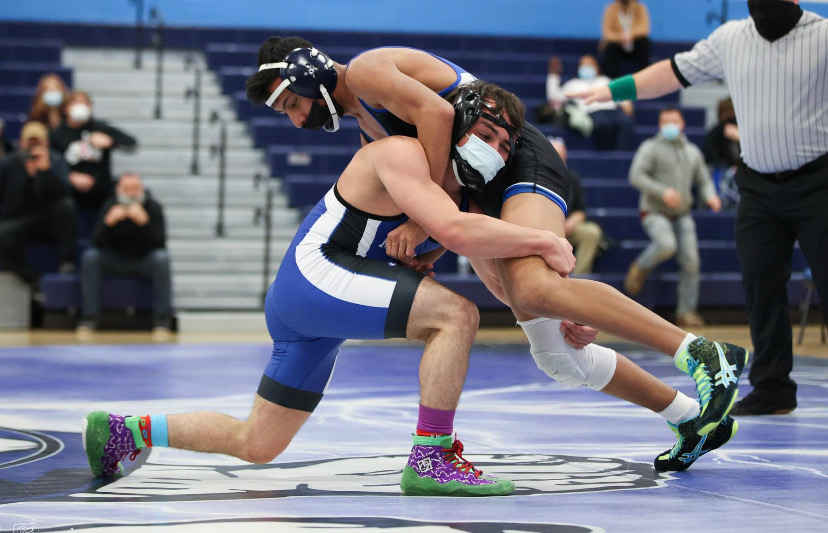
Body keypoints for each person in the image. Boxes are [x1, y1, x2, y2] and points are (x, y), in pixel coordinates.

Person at [250, 47, 748, 468]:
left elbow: (442, 118)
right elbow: (436, 182)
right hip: (477, 188)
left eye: (293, 104)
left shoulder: (365, 72)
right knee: (557, 354)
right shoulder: (364, 124)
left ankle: (703, 353)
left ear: (310, 74)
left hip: (508, 155)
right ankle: (688, 417)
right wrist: (441, 241)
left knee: (535, 289)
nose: (297, 119)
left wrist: (431, 224)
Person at [83, 90, 578, 495]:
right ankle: (430, 457)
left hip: (306, 298)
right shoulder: (402, 153)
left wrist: (547, 313)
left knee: (258, 443)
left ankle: (129, 429)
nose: (494, 150)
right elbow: (455, 230)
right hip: (316, 274)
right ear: (459, 124)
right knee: (456, 316)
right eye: (485, 135)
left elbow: (484, 259)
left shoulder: (455, 189)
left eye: (505, 145)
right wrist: (546, 239)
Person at [566, 0, 827, 416]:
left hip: (819, 181)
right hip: (758, 185)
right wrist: (615, 90)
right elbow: (672, 71)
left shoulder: (823, 35)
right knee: (761, 285)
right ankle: (773, 387)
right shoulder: (730, 38)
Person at [624, 107, 721, 328]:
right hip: (654, 211)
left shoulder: (693, 151)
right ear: (660, 125)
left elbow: (704, 180)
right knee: (666, 244)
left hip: (682, 214)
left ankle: (686, 312)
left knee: (691, 260)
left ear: (682, 123)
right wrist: (662, 192)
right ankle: (640, 266)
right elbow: (635, 175)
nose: (670, 125)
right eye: (665, 121)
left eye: (674, 121)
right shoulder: (650, 148)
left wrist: (711, 197)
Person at [76, 173, 173, 336]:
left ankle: (162, 320)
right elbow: (96, 242)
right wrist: (108, 223)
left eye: (135, 189)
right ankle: (89, 318)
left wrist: (145, 223)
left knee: (162, 259)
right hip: (115, 259)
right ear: (118, 190)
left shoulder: (153, 207)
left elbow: (160, 244)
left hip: (144, 260)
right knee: (90, 257)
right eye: (126, 189)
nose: (131, 193)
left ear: (141, 189)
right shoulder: (110, 205)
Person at [0, 121, 76, 292]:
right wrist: (27, 176)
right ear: (21, 143)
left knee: (67, 206)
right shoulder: (10, 164)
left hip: (50, 220)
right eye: (29, 143)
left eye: (38, 144)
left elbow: (64, 193)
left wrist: (45, 172)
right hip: (21, 220)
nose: (32, 150)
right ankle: (32, 281)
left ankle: (67, 262)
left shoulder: (56, 160)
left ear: (46, 144)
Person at [49, 91, 138, 214]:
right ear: (66, 108)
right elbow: (50, 164)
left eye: (85, 103)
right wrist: (69, 176)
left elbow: (131, 144)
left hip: (102, 189)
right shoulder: (57, 134)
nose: (81, 106)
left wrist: (111, 142)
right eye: (76, 102)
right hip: (70, 190)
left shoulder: (100, 128)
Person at [547, 55, 634, 150]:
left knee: (626, 123)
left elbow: (618, 92)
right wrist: (553, 75)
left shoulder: (605, 80)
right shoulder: (573, 84)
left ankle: (619, 155)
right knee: (603, 125)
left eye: (590, 64)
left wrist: (626, 103)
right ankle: (607, 155)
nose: (586, 67)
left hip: (613, 111)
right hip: (594, 113)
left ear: (597, 67)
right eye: (583, 65)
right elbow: (555, 97)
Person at [549, 137, 605, 274]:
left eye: (560, 155)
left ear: (565, 156)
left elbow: (581, 211)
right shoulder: (536, 175)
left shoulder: (572, 178)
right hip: (545, 228)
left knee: (592, 232)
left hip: (566, 228)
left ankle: (578, 278)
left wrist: (570, 223)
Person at [703, 97, 742, 209]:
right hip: (721, 169)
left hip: (743, 170)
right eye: (726, 113)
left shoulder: (746, 133)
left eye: (732, 113)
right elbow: (709, 154)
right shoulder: (715, 132)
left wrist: (740, 137)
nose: (729, 117)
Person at [600, 0, 652, 78]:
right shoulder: (611, 9)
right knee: (610, 48)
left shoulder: (639, 8)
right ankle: (611, 80)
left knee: (644, 43)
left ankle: (644, 78)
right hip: (618, 44)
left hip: (634, 43)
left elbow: (644, 28)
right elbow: (607, 32)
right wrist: (620, 37)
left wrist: (631, 35)